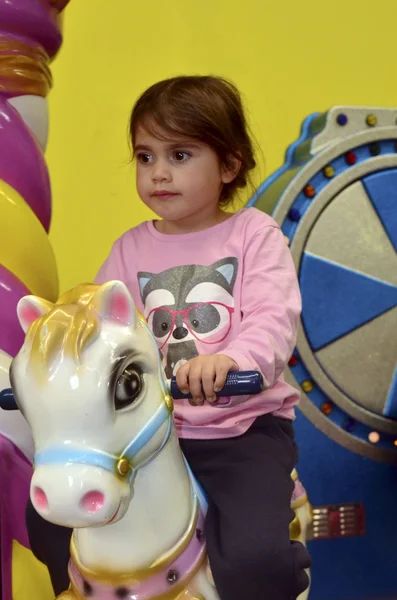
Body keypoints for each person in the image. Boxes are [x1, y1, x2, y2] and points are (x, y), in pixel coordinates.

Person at [25, 75, 311, 599]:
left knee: (255, 558)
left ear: (229, 164)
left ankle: (285, 576)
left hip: (239, 431)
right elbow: (103, 338)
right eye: (145, 156)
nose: (158, 173)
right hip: (151, 433)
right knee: (46, 519)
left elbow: (273, 318)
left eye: (180, 155)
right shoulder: (130, 249)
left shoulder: (253, 235)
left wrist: (231, 359)